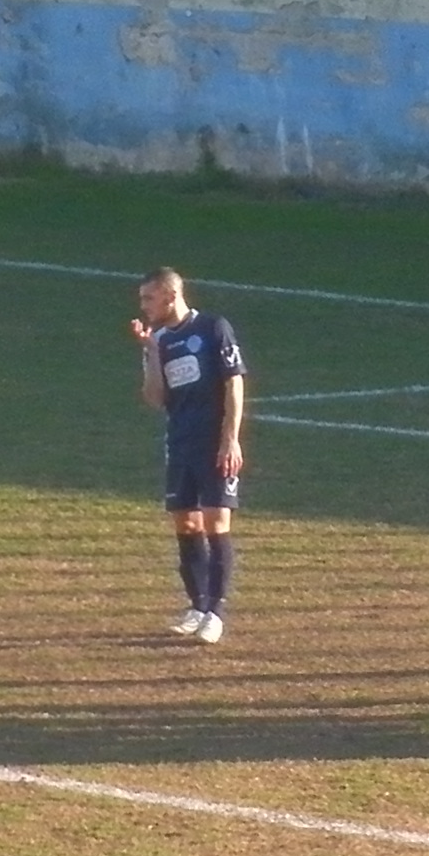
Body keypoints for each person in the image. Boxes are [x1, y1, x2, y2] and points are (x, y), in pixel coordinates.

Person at [130, 269, 245, 644]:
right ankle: (196, 606)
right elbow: (154, 399)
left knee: (216, 523)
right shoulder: (160, 339)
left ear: (168, 295)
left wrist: (231, 439)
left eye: (148, 298)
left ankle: (215, 612)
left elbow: (234, 383)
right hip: (180, 442)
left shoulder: (213, 328)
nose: (143, 306)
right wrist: (150, 353)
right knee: (187, 526)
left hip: (214, 442)